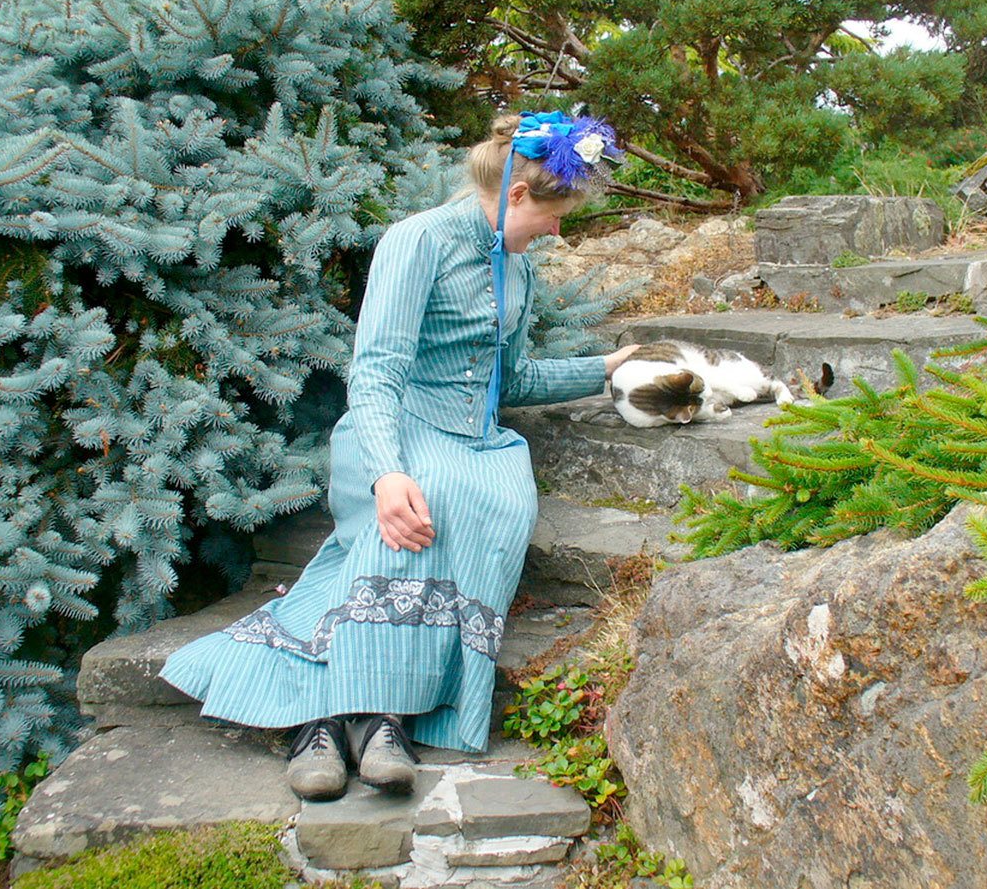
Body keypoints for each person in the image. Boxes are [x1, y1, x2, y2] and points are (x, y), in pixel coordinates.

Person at [159, 110, 640, 801]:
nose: (559, 231)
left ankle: (380, 710)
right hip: (395, 428)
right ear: (518, 195)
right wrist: (388, 474)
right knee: (426, 493)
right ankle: (337, 719)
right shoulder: (418, 241)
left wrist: (606, 366)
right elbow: (377, 371)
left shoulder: (519, 272)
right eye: (557, 214)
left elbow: (517, 377)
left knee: (502, 500)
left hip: (477, 440)